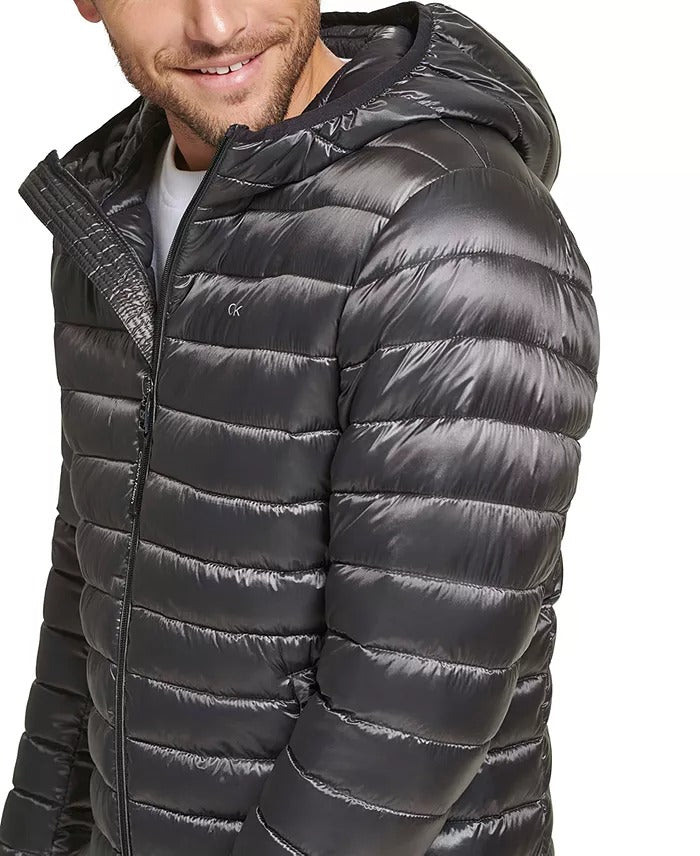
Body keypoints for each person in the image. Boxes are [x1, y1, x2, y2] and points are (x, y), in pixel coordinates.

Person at [0, 1, 600, 855]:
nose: (215, 25)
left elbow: (406, 713)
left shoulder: (453, 231)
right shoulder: (107, 218)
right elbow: (89, 591)